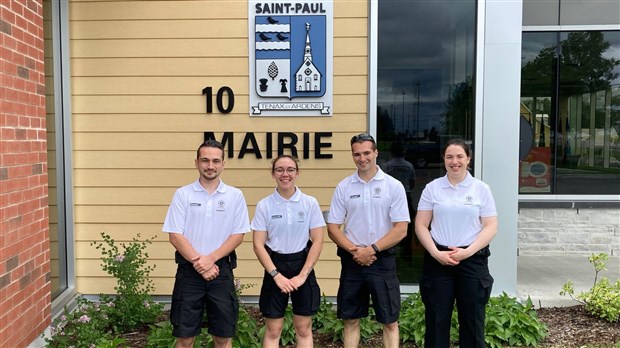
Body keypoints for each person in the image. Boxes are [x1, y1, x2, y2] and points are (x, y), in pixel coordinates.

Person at [162, 140, 250, 348]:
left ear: (223, 164)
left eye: (215, 161)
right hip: (189, 274)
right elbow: (175, 234)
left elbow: (238, 235)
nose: (210, 165)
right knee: (185, 337)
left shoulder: (235, 196)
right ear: (197, 163)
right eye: (205, 160)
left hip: (221, 272)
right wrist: (199, 262)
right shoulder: (183, 194)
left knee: (223, 337)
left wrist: (210, 260)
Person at [327, 133, 410, 348]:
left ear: (375, 153)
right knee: (351, 319)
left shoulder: (393, 186)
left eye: (366, 153)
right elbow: (333, 228)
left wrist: (372, 249)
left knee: (390, 320)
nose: (362, 158)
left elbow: (401, 229)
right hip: (352, 260)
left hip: (382, 261)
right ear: (352, 156)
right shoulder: (344, 187)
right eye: (357, 154)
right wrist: (356, 251)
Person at [414, 138, 498, 348]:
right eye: (449, 157)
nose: (455, 161)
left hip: (471, 260)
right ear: (443, 159)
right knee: (436, 319)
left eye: (460, 156)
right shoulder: (432, 189)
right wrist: (435, 253)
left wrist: (467, 252)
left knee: (472, 320)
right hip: (438, 260)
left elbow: (490, 226)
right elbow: (421, 225)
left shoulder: (481, 189)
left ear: (468, 159)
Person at [252, 155, 325, 348]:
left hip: (303, 266)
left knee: (303, 328)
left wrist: (302, 276)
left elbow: (318, 240)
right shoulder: (264, 205)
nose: (285, 174)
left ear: (297, 173)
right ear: (273, 173)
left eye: (290, 169)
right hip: (274, 268)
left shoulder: (310, 203)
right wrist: (276, 276)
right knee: (273, 330)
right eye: (280, 170)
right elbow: (258, 245)